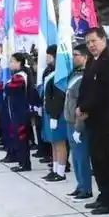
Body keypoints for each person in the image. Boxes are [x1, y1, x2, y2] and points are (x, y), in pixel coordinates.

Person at [77, 27, 109, 215]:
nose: (91, 45)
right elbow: (86, 88)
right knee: (97, 161)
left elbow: (105, 93)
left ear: (103, 40)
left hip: (108, 121)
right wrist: (81, 106)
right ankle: (103, 195)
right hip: (93, 120)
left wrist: (85, 107)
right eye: (88, 42)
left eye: (94, 41)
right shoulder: (92, 61)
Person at [64, 44, 91, 201]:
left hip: (78, 123)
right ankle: (80, 185)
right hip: (69, 121)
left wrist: (79, 127)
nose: (73, 58)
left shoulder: (85, 77)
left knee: (82, 157)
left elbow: (82, 104)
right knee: (75, 157)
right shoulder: (74, 75)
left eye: (76, 55)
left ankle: (86, 189)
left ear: (85, 57)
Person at [41, 45, 68, 182]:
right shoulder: (51, 73)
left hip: (57, 113)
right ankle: (55, 169)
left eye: (49, 56)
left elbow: (58, 96)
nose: (47, 58)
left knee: (60, 143)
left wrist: (54, 115)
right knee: (53, 142)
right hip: (49, 111)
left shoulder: (60, 75)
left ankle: (61, 172)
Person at [5, 53, 33, 172]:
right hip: (17, 110)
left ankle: (25, 164)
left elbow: (9, 88)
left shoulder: (20, 76)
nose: (10, 64)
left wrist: (6, 84)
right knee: (18, 137)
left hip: (20, 111)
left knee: (21, 137)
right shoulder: (17, 75)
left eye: (12, 61)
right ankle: (22, 162)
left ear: (19, 62)